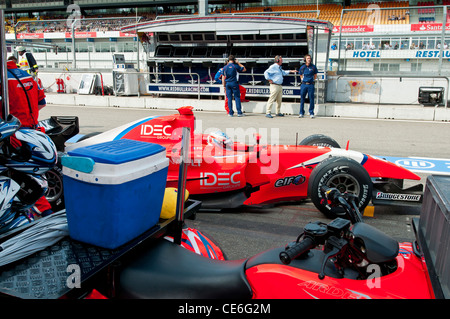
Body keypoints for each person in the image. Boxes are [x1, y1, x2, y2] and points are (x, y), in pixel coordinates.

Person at [5, 56, 53, 218]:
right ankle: (46, 213)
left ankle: (41, 215)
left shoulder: (3, 80)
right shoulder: (27, 75)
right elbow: (42, 102)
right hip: (34, 132)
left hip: (14, 136)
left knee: (19, 179)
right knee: (34, 178)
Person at [298, 54, 318, 119]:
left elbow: (315, 75)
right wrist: (303, 80)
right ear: (305, 60)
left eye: (309, 58)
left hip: (311, 84)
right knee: (302, 99)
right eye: (307, 58)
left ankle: (311, 113)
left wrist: (311, 80)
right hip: (304, 84)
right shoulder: (302, 67)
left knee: (311, 99)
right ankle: (301, 113)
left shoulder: (313, 67)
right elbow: (300, 74)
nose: (309, 59)